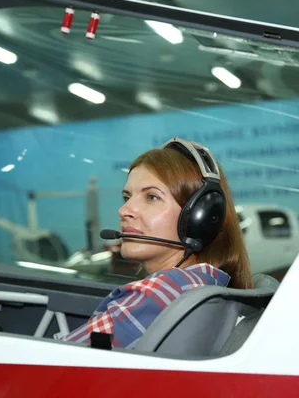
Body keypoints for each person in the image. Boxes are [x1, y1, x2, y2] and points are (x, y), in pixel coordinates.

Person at [61, 137, 253, 349]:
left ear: (200, 218)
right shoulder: (206, 283)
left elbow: (56, 363)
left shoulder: (160, 294)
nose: (124, 211)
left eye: (151, 197)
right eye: (127, 197)